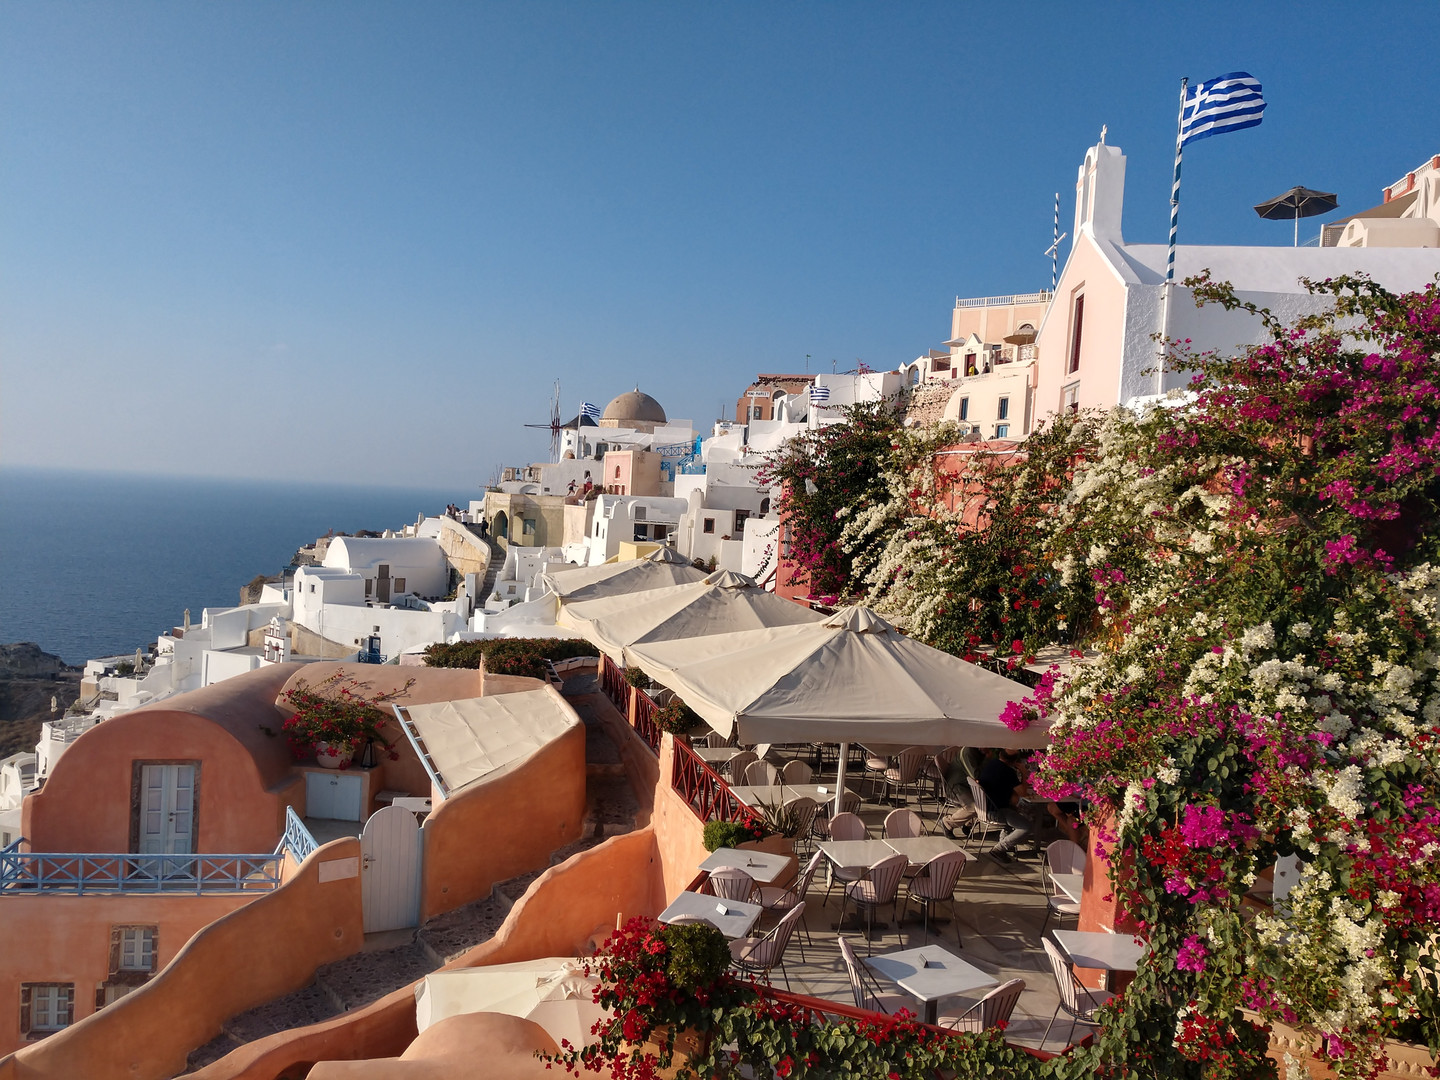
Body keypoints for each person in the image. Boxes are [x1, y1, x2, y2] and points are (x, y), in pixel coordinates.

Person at [978, 748, 1036, 862]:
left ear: (1000, 754)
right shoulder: (1008, 772)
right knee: (1027, 826)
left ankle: (1003, 848)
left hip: (984, 807)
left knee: (1015, 811)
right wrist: (1024, 774)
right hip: (996, 811)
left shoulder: (992, 763)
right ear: (1015, 762)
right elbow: (1023, 792)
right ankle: (999, 849)